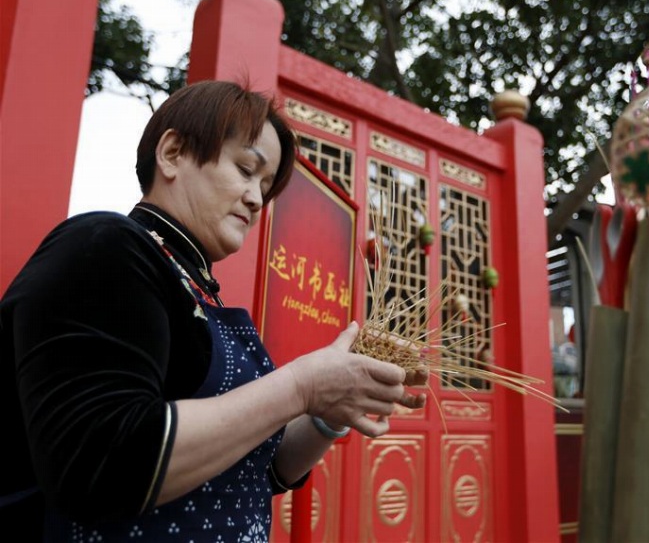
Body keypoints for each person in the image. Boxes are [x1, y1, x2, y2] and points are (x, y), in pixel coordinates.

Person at [0, 80, 426, 542]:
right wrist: (302, 386)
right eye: (246, 170)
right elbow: (103, 465)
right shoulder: (104, 248)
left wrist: (331, 409)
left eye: (266, 186)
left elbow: (255, 472)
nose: (257, 199)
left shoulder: (199, 290)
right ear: (173, 152)